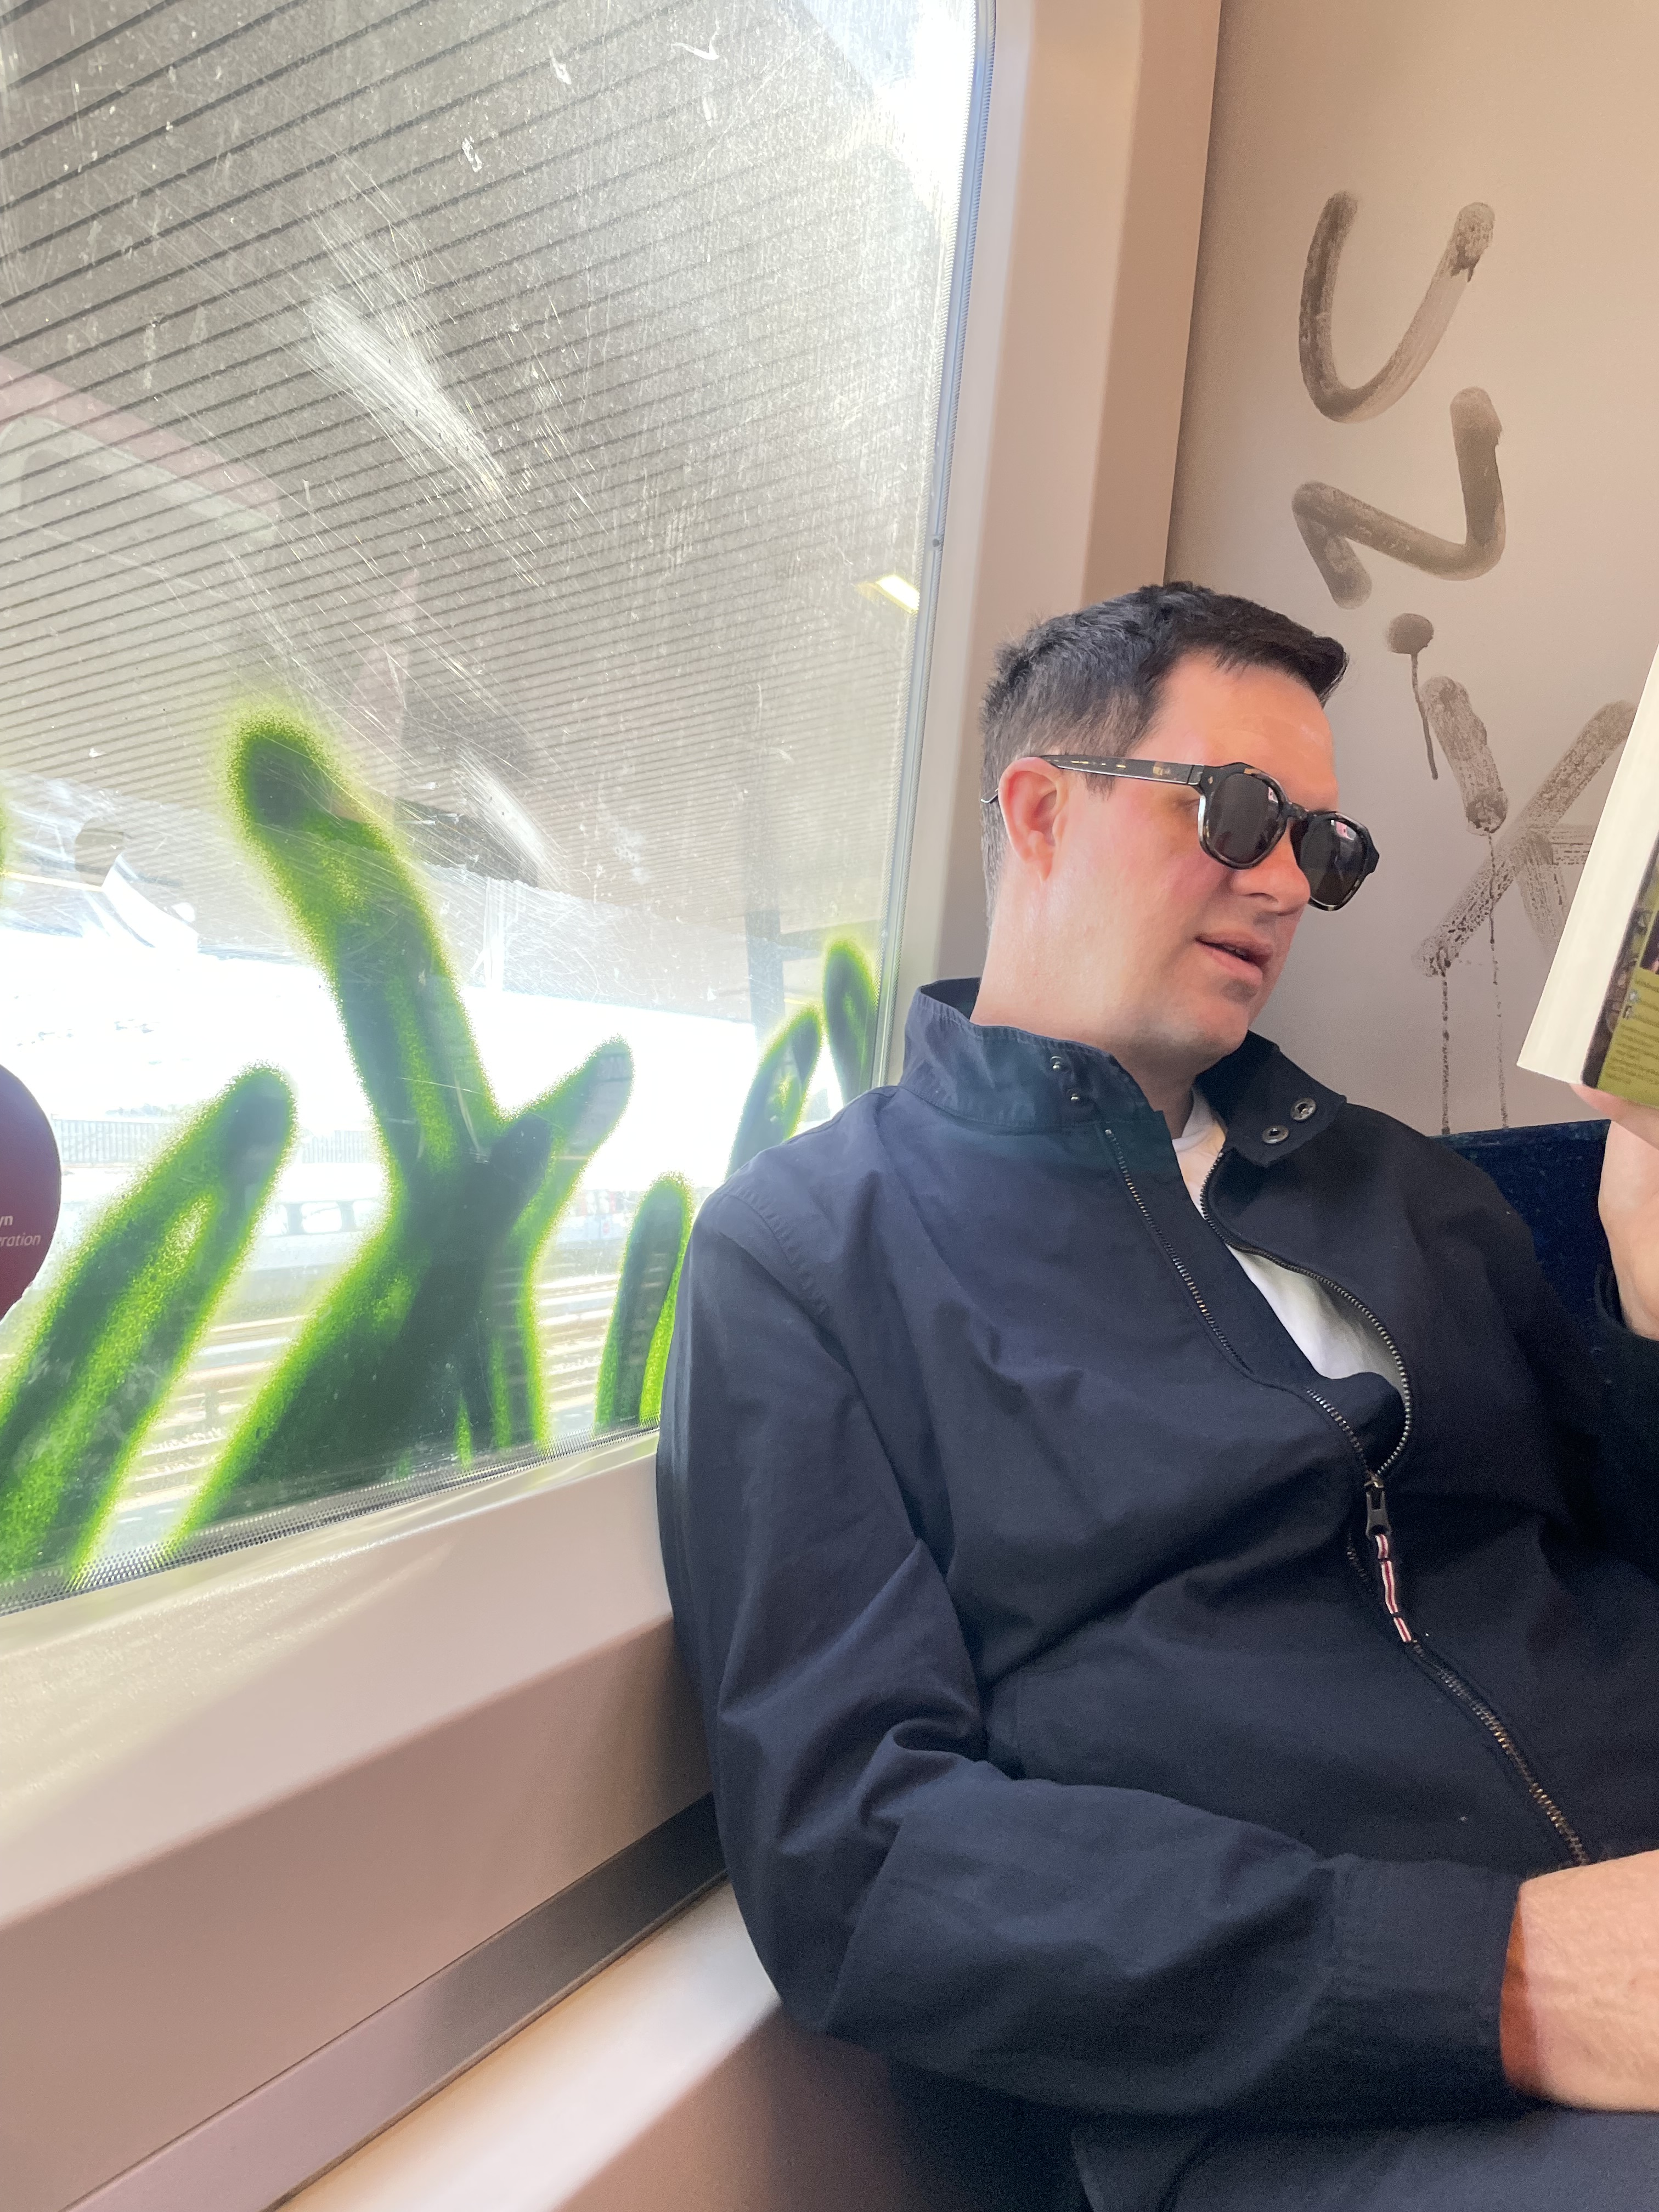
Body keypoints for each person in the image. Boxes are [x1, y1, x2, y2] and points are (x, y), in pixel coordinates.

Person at [656, 585, 1659, 2210]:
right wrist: (1509, 1974)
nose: (1288, 882)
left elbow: (1624, 1547)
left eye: (1323, 847)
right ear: (1040, 811)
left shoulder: (1414, 1196)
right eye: (1241, 812)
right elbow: (865, 1855)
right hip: (1318, 2091)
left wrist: (1653, 1307)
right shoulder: (813, 1257)